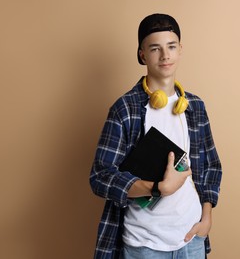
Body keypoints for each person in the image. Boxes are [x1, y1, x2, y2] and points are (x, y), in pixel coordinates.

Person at [90, 13, 222, 259]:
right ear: (142, 55)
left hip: (191, 237)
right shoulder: (125, 109)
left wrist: (206, 218)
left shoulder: (195, 106)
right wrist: (157, 188)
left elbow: (212, 167)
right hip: (144, 245)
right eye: (155, 48)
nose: (165, 56)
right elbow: (100, 177)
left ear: (180, 49)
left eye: (171, 46)